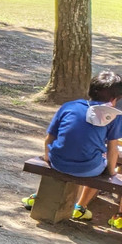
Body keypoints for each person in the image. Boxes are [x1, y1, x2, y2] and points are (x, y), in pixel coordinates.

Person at [24, 71, 122, 224]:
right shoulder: (113, 116)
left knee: (82, 154)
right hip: (87, 168)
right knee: (99, 162)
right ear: (114, 99)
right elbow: (112, 149)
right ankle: (81, 207)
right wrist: (110, 173)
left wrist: (48, 158)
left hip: (57, 161)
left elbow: (49, 138)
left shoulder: (69, 106)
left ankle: (40, 196)